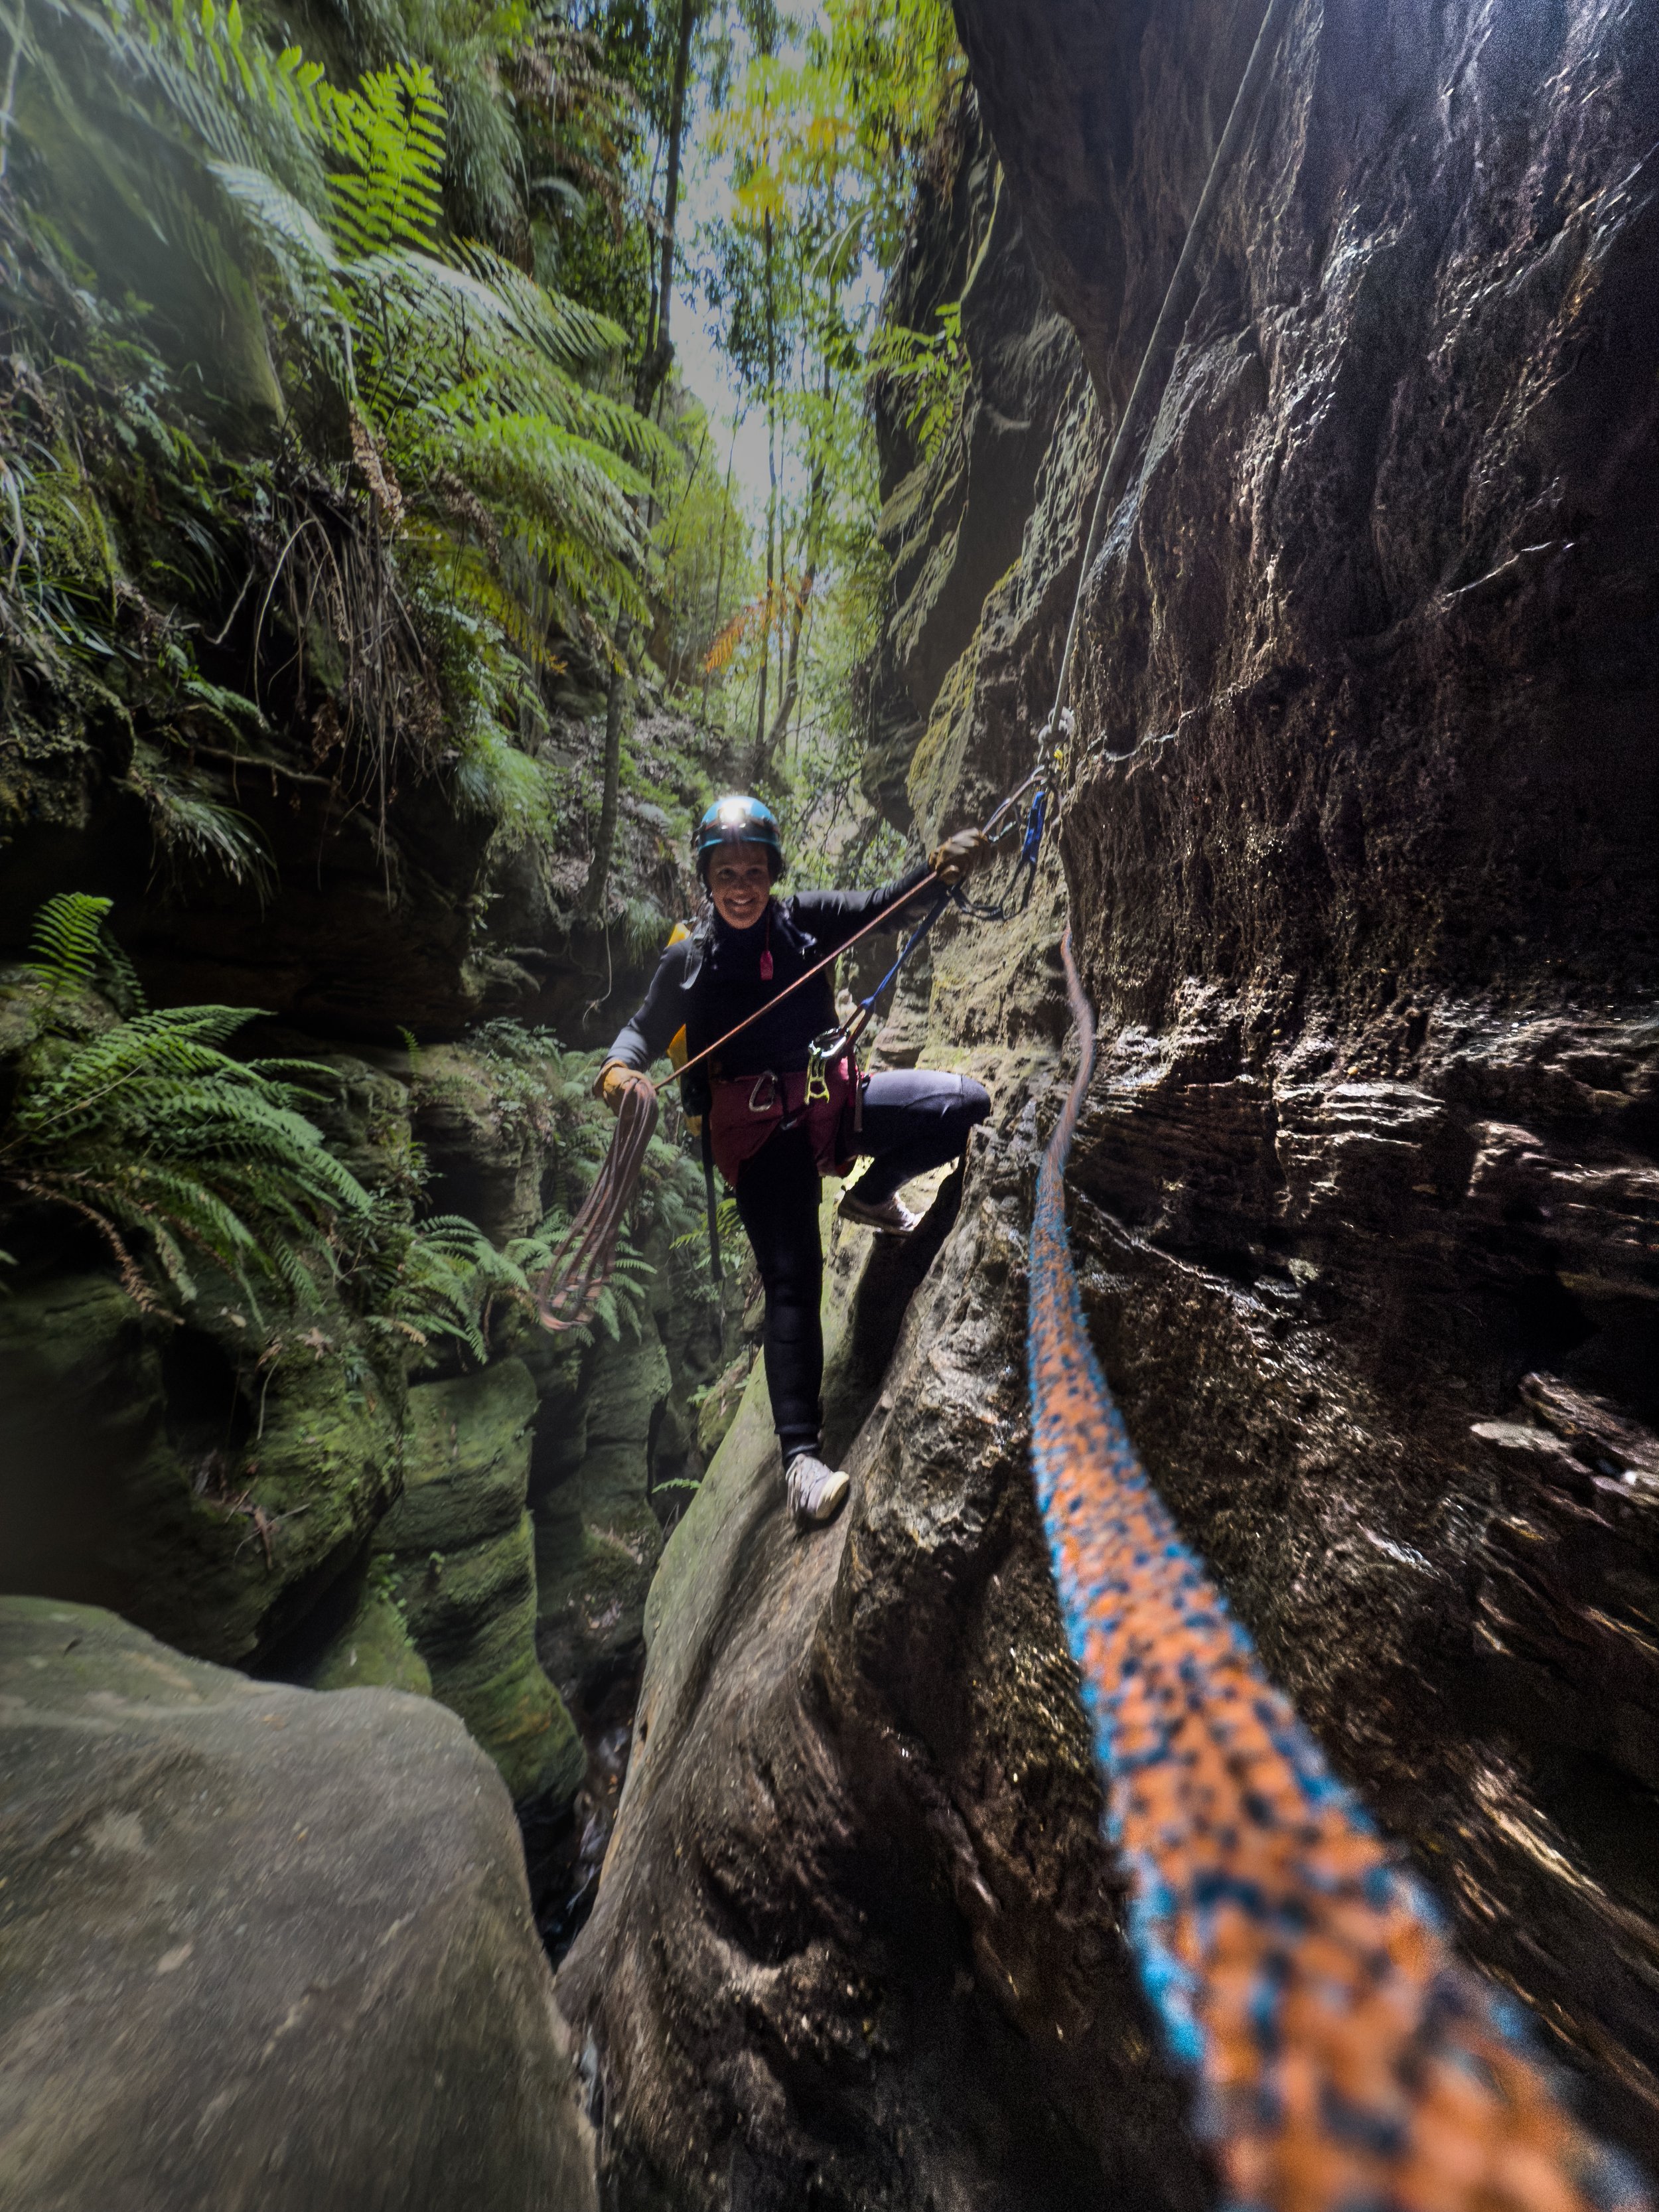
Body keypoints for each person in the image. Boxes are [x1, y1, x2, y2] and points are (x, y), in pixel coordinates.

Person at [598, 794, 993, 1531]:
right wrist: (620, 1072)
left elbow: (886, 903)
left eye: (753, 870)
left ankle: (873, 1196)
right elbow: (640, 1033)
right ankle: (801, 1463)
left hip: (827, 1105)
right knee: (793, 1277)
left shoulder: (805, 920)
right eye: (726, 873)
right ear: (708, 879)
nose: (741, 885)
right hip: (759, 1144)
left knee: (961, 1105)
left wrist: (939, 872)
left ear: (771, 873)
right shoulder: (690, 962)